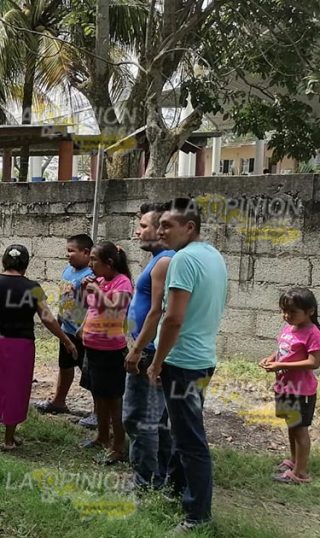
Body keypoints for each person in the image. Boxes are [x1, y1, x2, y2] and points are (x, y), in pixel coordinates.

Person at [146, 197, 228, 532]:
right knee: (177, 430)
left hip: (183, 362)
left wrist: (156, 361)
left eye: (167, 225)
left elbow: (173, 318)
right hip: (204, 359)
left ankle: (197, 515)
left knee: (190, 439)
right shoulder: (213, 256)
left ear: (189, 227)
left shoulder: (182, 260)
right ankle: (174, 489)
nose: (160, 231)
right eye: (159, 224)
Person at [0, 245, 77, 449]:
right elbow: (48, 319)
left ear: (3, 262)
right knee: (15, 387)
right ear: (25, 265)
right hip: (21, 346)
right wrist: (65, 339)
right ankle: (8, 439)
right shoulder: (32, 287)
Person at [122, 203, 175, 490]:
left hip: (148, 351)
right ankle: (161, 476)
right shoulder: (158, 259)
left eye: (143, 225)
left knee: (138, 416)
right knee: (156, 416)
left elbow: (159, 311)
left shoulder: (165, 261)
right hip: (147, 348)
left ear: (160, 229)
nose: (137, 231)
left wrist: (138, 348)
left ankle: (145, 480)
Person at [77, 241, 133, 465]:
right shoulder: (98, 280)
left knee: (113, 399)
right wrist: (85, 289)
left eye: (94, 260)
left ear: (109, 263)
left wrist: (98, 291)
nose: (90, 264)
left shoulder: (123, 282)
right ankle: (101, 436)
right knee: (98, 394)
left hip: (111, 350)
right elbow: (91, 308)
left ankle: (118, 445)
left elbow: (114, 310)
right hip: (93, 346)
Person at [259, 288, 320, 484]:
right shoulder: (289, 327)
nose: (287, 316)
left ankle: (300, 473)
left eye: (292, 312)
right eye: (284, 311)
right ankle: (294, 461)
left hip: (301, 391)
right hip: (285, 387)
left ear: (310, 311)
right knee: (291, 426)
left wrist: (281, 365)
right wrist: (271, 358)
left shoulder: (313, 333)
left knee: (300, 429)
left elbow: (314, 362)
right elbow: (283, 350)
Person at [36, 234, 95, 420]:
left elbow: (93, 305)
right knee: (65, 366)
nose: (67, 255)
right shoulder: (68, 271)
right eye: (67, 251)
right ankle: (58, 402)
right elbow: (65, 297)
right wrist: (61, 320)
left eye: (71, 251)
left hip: (84, 332)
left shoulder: (91, 275)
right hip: (67, 330)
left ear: (86, 252)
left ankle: (98, 412)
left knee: (90, 372)